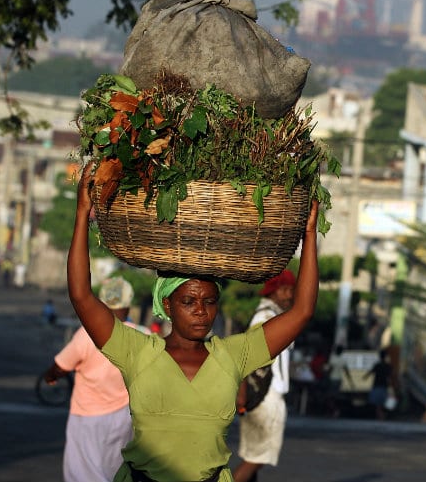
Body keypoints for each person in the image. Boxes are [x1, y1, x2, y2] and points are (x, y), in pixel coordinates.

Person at [66, 163, 319, 482]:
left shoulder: (235, 354)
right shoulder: (136, 350)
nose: (201, 311)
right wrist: (81, 215)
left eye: (209, 301)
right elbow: (81, 296)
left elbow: (302, 311)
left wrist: (309, 234)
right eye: (188, 302)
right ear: (167, 305)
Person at [43, 277, 149, 482]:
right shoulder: (141, 336)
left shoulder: (88, 334)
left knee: (83, 469)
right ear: (128, 305)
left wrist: (50, 377)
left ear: (101, 303)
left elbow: (60, 366)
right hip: (125, 417)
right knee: (115, 467)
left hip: (87, 415)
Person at [232, 270, 297, 482]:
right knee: (256, 459)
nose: (290, 296)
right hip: (265, 397)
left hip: (265, 396)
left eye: (291, 290)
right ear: (275, 291)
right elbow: (245, 356)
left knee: (255, 458)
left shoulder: (272, 315)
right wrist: (241, 394)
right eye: (286, 290)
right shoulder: (266, 318)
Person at [363, 349, 394, 420]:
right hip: (384, 386)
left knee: (377, 403)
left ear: (380, 357)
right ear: (386, 356)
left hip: (377, 385)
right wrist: (392, 385)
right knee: (384, 402)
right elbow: (391, 376)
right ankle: (382, 415)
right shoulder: (388, 366)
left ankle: (380, 415)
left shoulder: (377, 365)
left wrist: (364, 377)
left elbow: (370, 372)